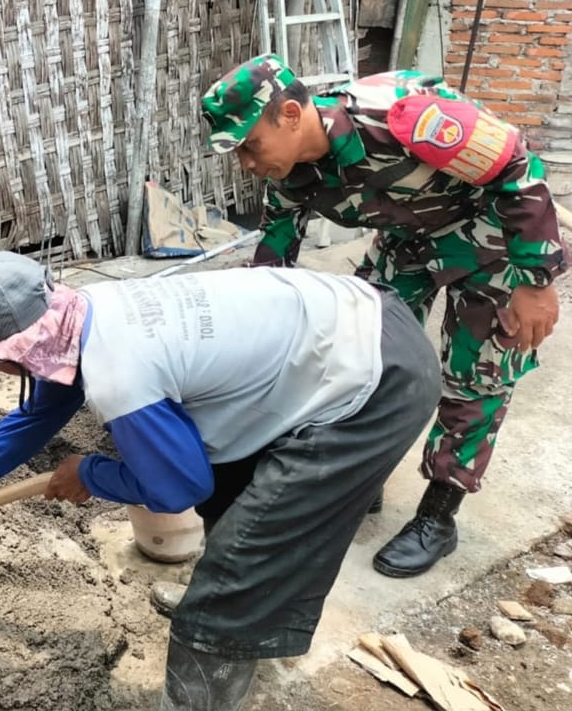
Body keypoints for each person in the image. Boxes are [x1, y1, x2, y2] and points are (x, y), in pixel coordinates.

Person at [0, 251, 440, 711]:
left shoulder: (121, 373)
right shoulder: (83, 309)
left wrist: (91, 473)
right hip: (347, 318)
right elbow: (43, 410)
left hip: (372, 378)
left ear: (13, 349)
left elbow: (179, 490)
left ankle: (214, 655)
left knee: (246, 560)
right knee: (233, 488)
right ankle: (236, 623)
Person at [201, 55, 565, 577]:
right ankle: (362, 476)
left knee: (475, 377)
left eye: (249, 146)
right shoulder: (290, 179)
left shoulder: (398, 117)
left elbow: (517, 166)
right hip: (408, 244)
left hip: (490, 242)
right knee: (362, 357)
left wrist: (537, 282)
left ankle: (439, 516)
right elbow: (274, 256)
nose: (247, 164)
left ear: (289, 114)